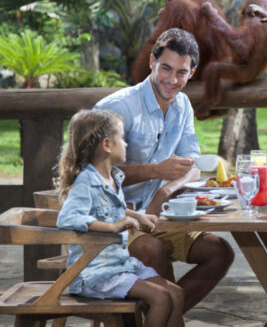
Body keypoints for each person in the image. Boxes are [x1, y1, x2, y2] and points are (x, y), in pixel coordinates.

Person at [94, 28, 234, 313]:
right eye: (166, 68)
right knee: (152, 251)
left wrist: (167, 190)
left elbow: (191, 164)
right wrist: (155, 171)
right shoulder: (119, 108)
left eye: (181, 72)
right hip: (112, 221)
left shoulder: (182, 105)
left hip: (157, 217)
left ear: (192, 72)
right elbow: (92, 173)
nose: (172, 80)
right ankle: (162, 315)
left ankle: (156, 315)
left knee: (219, 252)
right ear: (151, 63)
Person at [56, 109, 184, 327]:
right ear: (107, 145)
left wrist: (135, 215)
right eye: (123, 139)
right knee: (161, 298)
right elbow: (67, 218)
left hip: (120, 265)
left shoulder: (112, 177)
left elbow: (107, 208)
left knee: (176, 294)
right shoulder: (86, 182)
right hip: (96, 273)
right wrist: (113, 227)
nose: (126, 144)